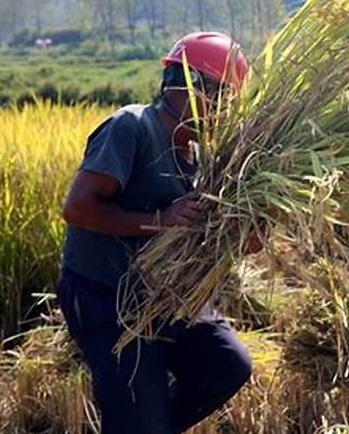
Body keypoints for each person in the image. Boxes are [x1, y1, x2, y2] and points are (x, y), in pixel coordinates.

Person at [56, 32, 254, 434]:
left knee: (226, 365)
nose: (226, 112)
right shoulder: (132, 128)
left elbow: (205, 234)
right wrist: (161, 220)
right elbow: (77, 209)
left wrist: (245, 231)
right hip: (107, 297)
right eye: (224, 98)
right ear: (195, 88)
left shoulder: (201, 155)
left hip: (166, 297)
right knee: (139, 419)